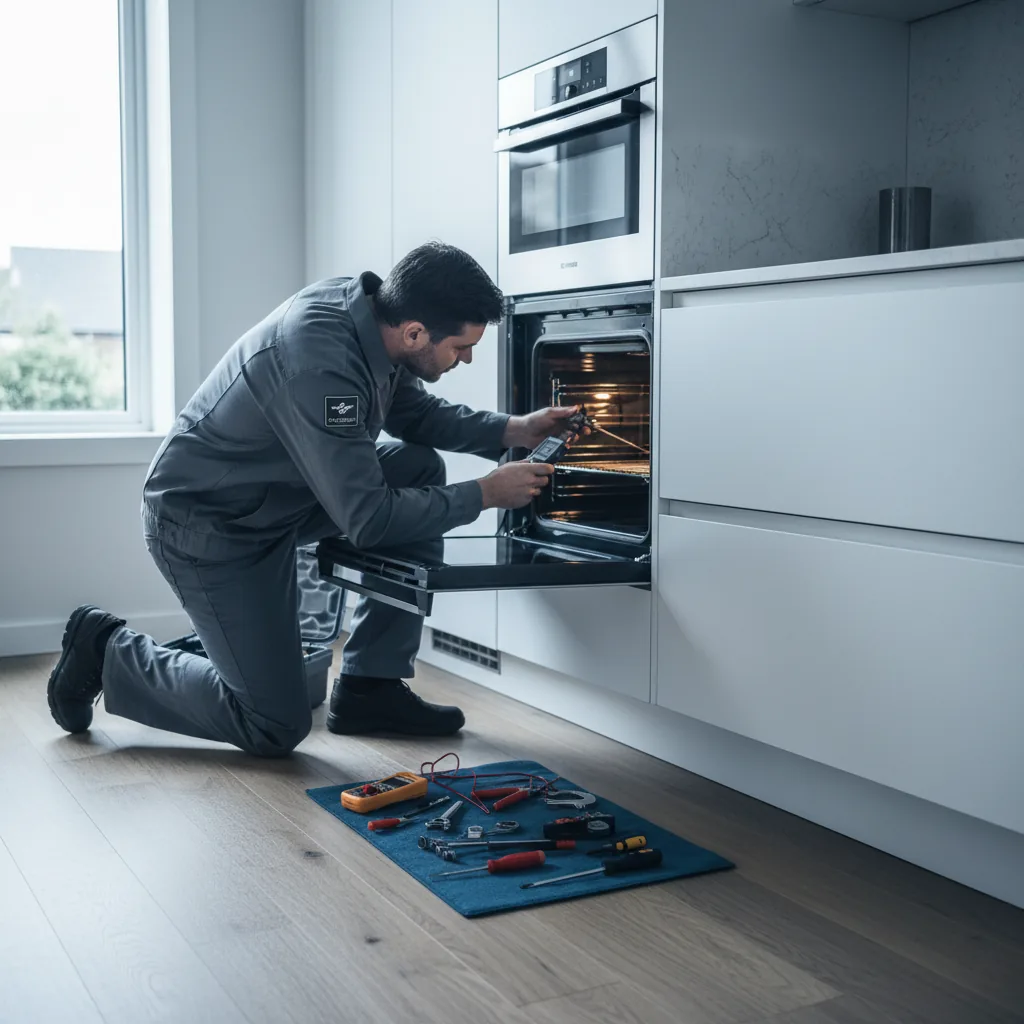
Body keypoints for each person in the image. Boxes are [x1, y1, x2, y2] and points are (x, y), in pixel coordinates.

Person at [46, 241, 579, 756]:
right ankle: (107, 651)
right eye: (461, 348)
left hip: (278, 500)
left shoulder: (375, 319)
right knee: (274, 722)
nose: (463, 360)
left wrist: (515, 429)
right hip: (208, 524)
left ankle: (372, 688)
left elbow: (414, 416)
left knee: (416, 467)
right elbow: (368, 520)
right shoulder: (320, 364)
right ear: (416, 332)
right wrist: (485, 494)